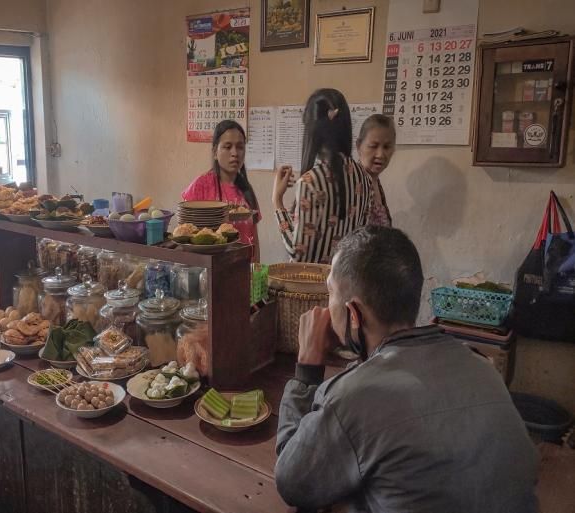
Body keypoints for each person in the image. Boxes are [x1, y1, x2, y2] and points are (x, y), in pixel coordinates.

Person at [275, 225, 538, 513]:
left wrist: (307, 368)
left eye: (330, 293)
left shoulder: (353, 398)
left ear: (353, 314)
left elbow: (293, 482)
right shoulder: (482, 368)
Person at [273, 88, 374, 263]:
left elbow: (297, 251)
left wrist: (277, 201)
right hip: (344, 285)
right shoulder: (364, 178)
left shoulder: (310, 181)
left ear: (311, 131)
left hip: (309, 286)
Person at [182, 120, 262, 261]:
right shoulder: (200, 186)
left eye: (240, 147)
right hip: (211, 269)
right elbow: (184, 234)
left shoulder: (247, 190)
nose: (234, 153)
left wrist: (256, 270)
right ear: (214, 152)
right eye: (227, 146)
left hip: (243, 269)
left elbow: (254, 238)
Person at [356, 114, 396, 226]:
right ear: (359, 146)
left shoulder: (375, 182)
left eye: (387, 147)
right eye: (373, 146)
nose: (380, 154)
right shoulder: (354, 183)